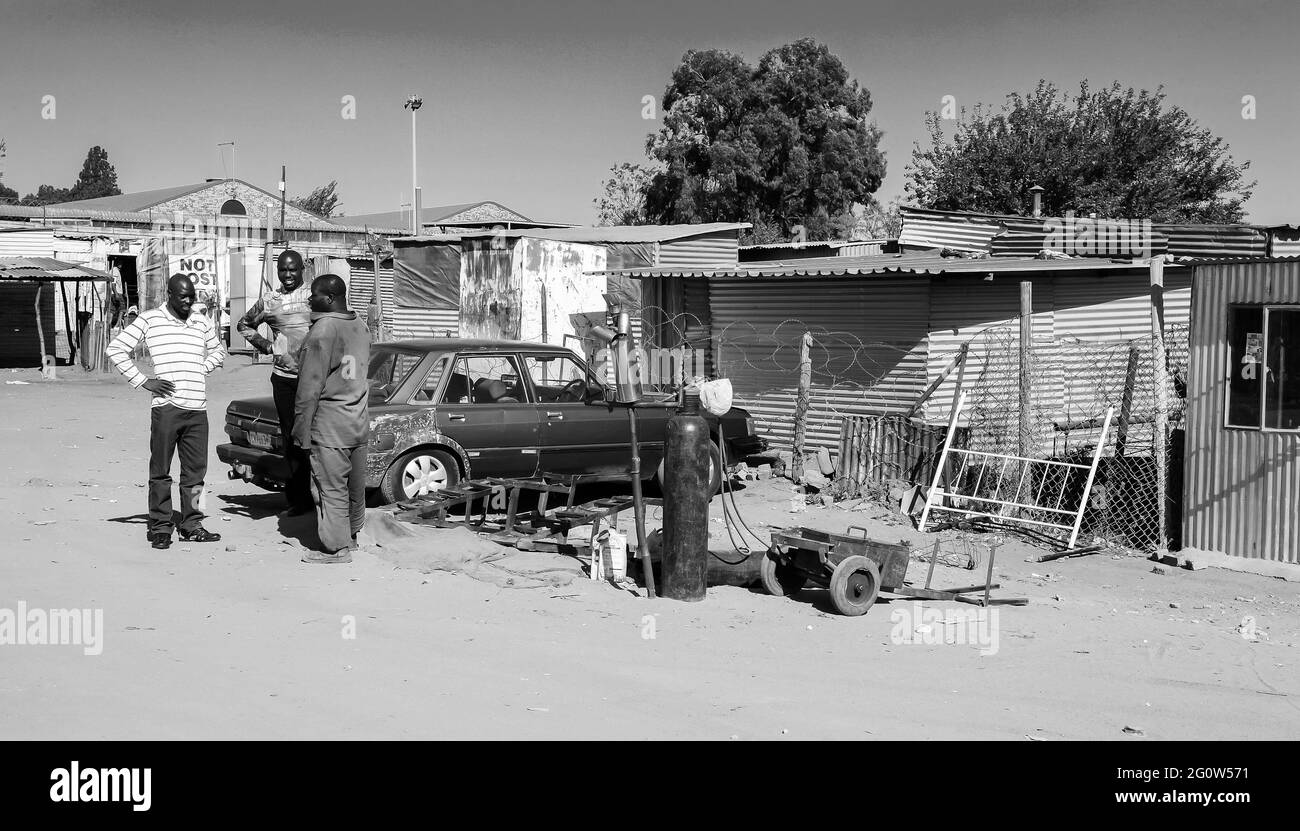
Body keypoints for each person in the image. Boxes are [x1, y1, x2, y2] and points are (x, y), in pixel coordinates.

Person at [106, 274, 226, 550]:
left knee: (196, 474)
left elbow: (218, 351)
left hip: (198, 410)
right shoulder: (150, 319)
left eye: (191, 296)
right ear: (169, 295)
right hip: (167, 408)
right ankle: (160, 526)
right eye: (182, 296)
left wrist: (201, 369)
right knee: (160, 471)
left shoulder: (200, 320)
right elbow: (116, 349)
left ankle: (192, 523)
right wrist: (143, 380)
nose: (188, 301)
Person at [293, 274, 371, 564]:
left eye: (313, 294)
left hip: (330, 425)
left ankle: (336, 548)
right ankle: (351, 536)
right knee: (354, 486)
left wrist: (301, 429)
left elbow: (309, 387)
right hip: (358, 421)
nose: (309, 299)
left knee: (329, 487)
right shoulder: (360, 326)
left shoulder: (323, 329)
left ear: (328, 298)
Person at [236, 250, 313, 516]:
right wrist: (268, 346)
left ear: (302, 268)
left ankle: (322, 500)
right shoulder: (270, 301)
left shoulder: (315, 297)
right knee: (292, 441)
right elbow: (243, 324)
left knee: (318, 439)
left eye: (293, 269)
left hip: (315, 380)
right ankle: (298, 502)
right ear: (277, 272)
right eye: (283, 270)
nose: (288, 275)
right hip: (284, 381)